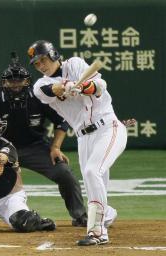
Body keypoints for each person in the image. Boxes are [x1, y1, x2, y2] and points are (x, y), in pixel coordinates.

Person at [27, 40, 128, 245]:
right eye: (37, 64)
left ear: (54, 55)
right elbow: (50, 90)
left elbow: (101, 85)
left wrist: (83, 88)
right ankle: (106, 214)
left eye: (43, 60)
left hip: (109, 128)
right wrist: (65, 87)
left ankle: (98, 232)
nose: (41, 66)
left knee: (92, 171)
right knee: (93, 185)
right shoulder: (39, 85)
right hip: (84, 137)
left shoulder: (75, 64)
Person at [0, 53, 88, 227]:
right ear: (3, 82)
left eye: (20, 81)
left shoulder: (39, 96)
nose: (15, 85)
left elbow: (62, 122)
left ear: (27, 81)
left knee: (64, 173)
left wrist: (56, 147)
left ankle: (80, 215)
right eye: (11, 81)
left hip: (33, 147)